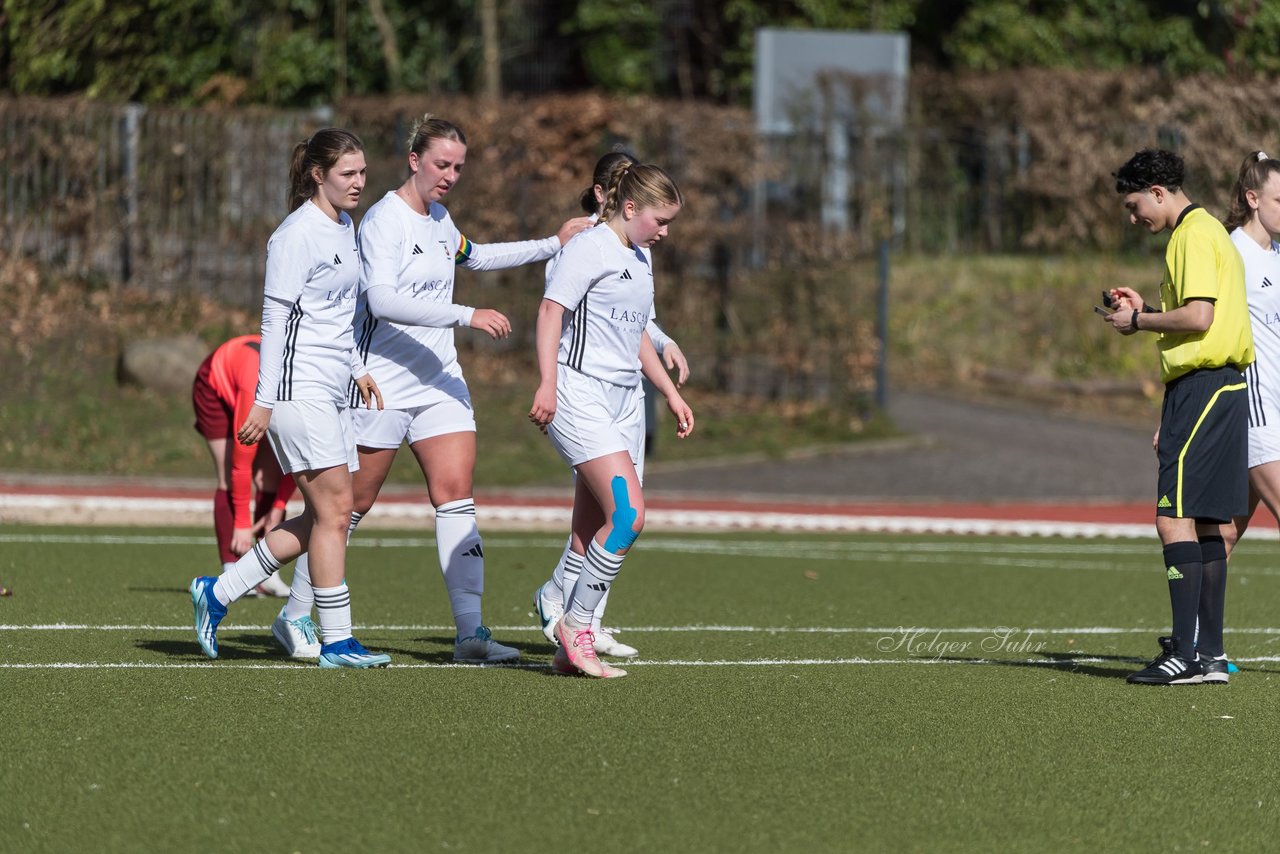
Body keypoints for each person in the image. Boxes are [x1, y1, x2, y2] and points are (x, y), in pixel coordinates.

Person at [276, 114, 592, 664]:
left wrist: (551, 243)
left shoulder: (441, 221)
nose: (450, 175)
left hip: (439, 383)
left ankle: (470, 633)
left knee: (456, 496)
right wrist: (467, 314)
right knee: (348, 507)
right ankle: (295, 613)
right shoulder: (381, 221)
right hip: (383, 386)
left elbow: (478, 255)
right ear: (414, 160)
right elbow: (382, 301)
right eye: (442, 164)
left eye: (458, 167)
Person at [190, 127, 391, 669]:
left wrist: (357, 368)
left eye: (363, 173)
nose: (358, 183)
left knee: (321, 516)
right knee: (337, 511)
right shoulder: (294, 235)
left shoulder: (346, 227)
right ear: (317, 175)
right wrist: (264, 398)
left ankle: (219, 593)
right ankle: (338, 639)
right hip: (296, 391)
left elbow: (337, 318)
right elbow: (276, 322)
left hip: (333, 389)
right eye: (347, 173)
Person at [529, 157, 694, 678]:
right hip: (580, 395)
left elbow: (635, 333)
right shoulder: (588, 248)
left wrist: (668, 392)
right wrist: (548, 383)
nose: (665, 232)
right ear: (628, 207)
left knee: (597, 523)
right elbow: (550, 311)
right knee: (628, 516)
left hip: (624, 400)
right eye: (660, 220)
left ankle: (565, 643)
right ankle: (577, 625)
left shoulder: (639, 255)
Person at [1102, 148, 1254, 685]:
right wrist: (1149, 308)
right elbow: (1198, 317)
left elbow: (1199, 315)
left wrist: (1138, 319)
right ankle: (1209, 656)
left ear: (1160, 193)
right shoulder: (1211, 231)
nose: (1134, 216)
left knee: (1172, 518)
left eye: (1134, 204)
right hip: (1224, 387)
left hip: (1204, 386)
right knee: (1210, 522)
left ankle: (1183, 653)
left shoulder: (1189, 234)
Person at [1211, 151, 1280, 673]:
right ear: (1253, 200)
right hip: (1255, 412)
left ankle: (1196, 639)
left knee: (1226, 532)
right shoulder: (1231, 254)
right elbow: (1206, 331)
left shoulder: (1277, 255)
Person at [191, 334, 298, 597]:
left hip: (259, 389)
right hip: (215, 385)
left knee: (270, 477)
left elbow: (301, 457)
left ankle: (266, 571)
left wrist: (279, 506)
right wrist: (241, 522)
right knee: (228, 473)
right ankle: (232, 568)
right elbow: (241, 463)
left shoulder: (304, 391)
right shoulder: (254, 386)